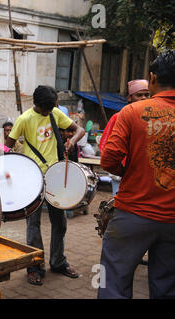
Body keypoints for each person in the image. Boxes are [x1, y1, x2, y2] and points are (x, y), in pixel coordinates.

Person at [98, 50, 175, 299]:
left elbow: (109, 159)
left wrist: (128, 171)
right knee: (166, 287)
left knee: (113, 281)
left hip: (133, 212)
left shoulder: (131, 113)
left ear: (153, 78)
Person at [5, 85, 85, 286]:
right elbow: (8, 144)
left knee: (60, 222)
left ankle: (58, 262)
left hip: (55, 176)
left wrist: (72, 141)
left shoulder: (55, 113)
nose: (48, 112)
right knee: (33, 225)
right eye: (45, 109)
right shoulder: (24, 120)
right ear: (36, 104)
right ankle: (34, 265)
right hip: (33, 178)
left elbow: (79, 130)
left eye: (51, 108)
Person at [99, 79, 150, 195]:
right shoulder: (119, 117)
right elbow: (105, 144)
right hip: (123, 171)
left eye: (147, 95)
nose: (143, 98)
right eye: (139, 95)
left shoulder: (154, 120)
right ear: (129, 98)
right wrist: (118, 169)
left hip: (145, 172)